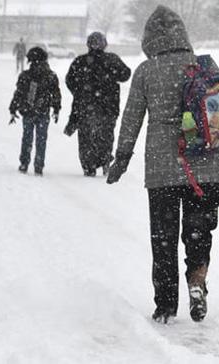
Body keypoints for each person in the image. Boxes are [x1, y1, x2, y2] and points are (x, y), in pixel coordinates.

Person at [107, 6, 219, 324]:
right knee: (199, 231)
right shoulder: (202, 67)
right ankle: (197, 281)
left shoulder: (146, 71)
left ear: (149, 38)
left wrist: (121, 159)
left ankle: (166, 305)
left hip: (162, 170)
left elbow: (131, 120)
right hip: (206, 168)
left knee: (164, 238)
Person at [65, 32, 131, 177]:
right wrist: (111, 75)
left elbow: (69, 80)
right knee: (106, 135)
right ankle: (105, 159)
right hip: (108, 107)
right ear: (104, 44)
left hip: (85, 107)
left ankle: (89, 166)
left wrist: (80, 92)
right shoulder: (112, 59)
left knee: (86, 138)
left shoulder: (80, 61)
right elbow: (126, 74)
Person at [9, 47, 61, 176]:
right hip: (43, 111)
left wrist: (13, 108)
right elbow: (56, 94)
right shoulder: (51, 76)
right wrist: (56, 108)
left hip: (28, 111)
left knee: (27, 138)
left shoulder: (26, 75)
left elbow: (19, 93)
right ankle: (38, 165)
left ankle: (24, 163)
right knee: (41, 139)